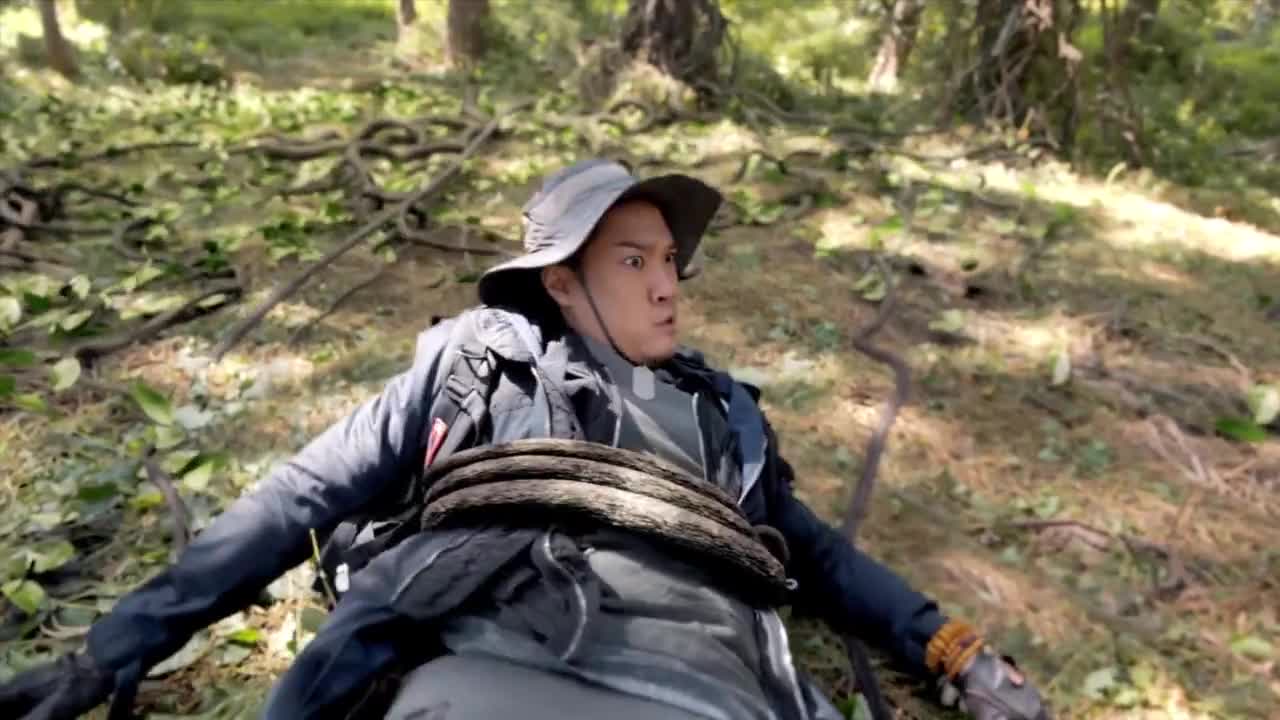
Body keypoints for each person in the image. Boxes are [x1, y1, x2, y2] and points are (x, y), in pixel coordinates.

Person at [0, 159, 1048, 720]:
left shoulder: (721, 414)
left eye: (670, 260)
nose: (666, 283)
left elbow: (814, 555)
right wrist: (112, 651)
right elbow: (299, 496)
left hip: (721, 684)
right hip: (508, 661)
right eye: (632, 260)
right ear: (560, 280)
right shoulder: (477, 367)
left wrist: (952, 651)